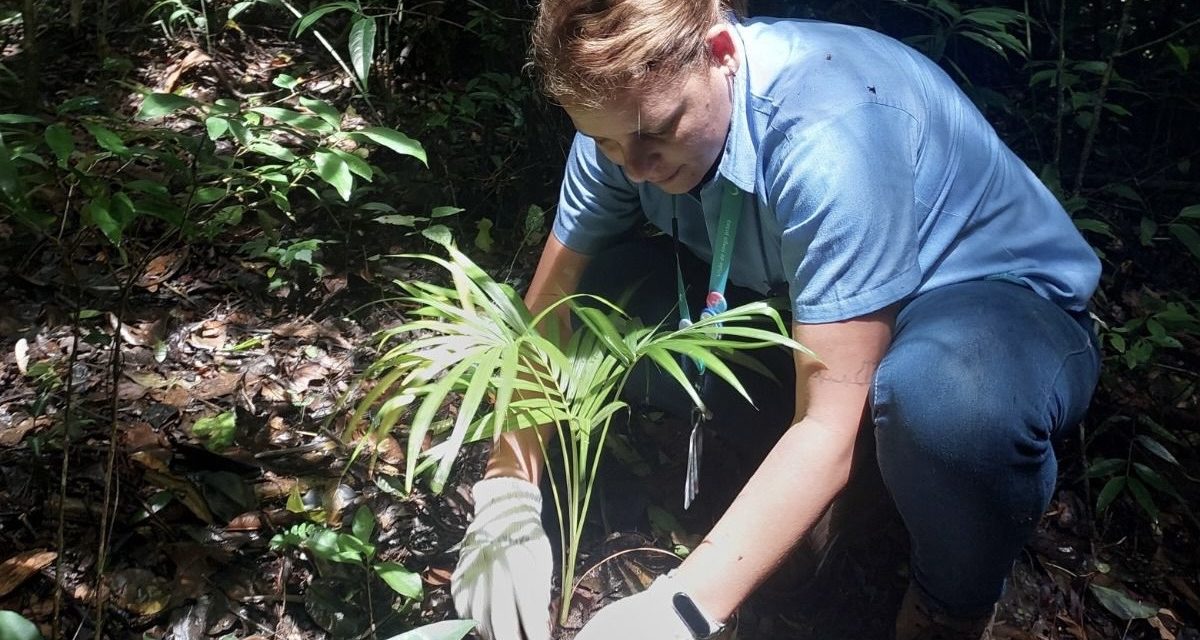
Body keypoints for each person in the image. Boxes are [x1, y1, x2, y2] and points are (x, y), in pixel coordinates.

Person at [450, 1, 1102, 639]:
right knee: (596, 308)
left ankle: (949, 597)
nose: (634, 167)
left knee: (952, 406)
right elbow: (549, 313)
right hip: (811, 303)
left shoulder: (830, 131)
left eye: (653, 135)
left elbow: (826, 423)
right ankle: (857, 469)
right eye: (605, 143)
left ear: (722, 52)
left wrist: (682, 607)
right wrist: (505, 492)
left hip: (984, 300)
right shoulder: (626, 123)